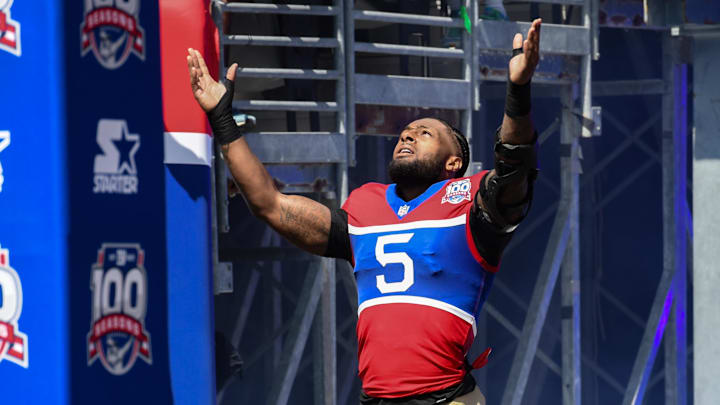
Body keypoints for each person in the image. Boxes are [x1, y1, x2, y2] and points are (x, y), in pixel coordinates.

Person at [186, 18, 542, 405]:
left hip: (447, 398)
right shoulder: (365, 207)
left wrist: (518, 91)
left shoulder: (471, 204)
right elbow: (270, 205)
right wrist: (222, 121)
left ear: (454, 163)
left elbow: (514, 164)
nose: (407, 135)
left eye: (425, 133)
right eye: (406, 131)